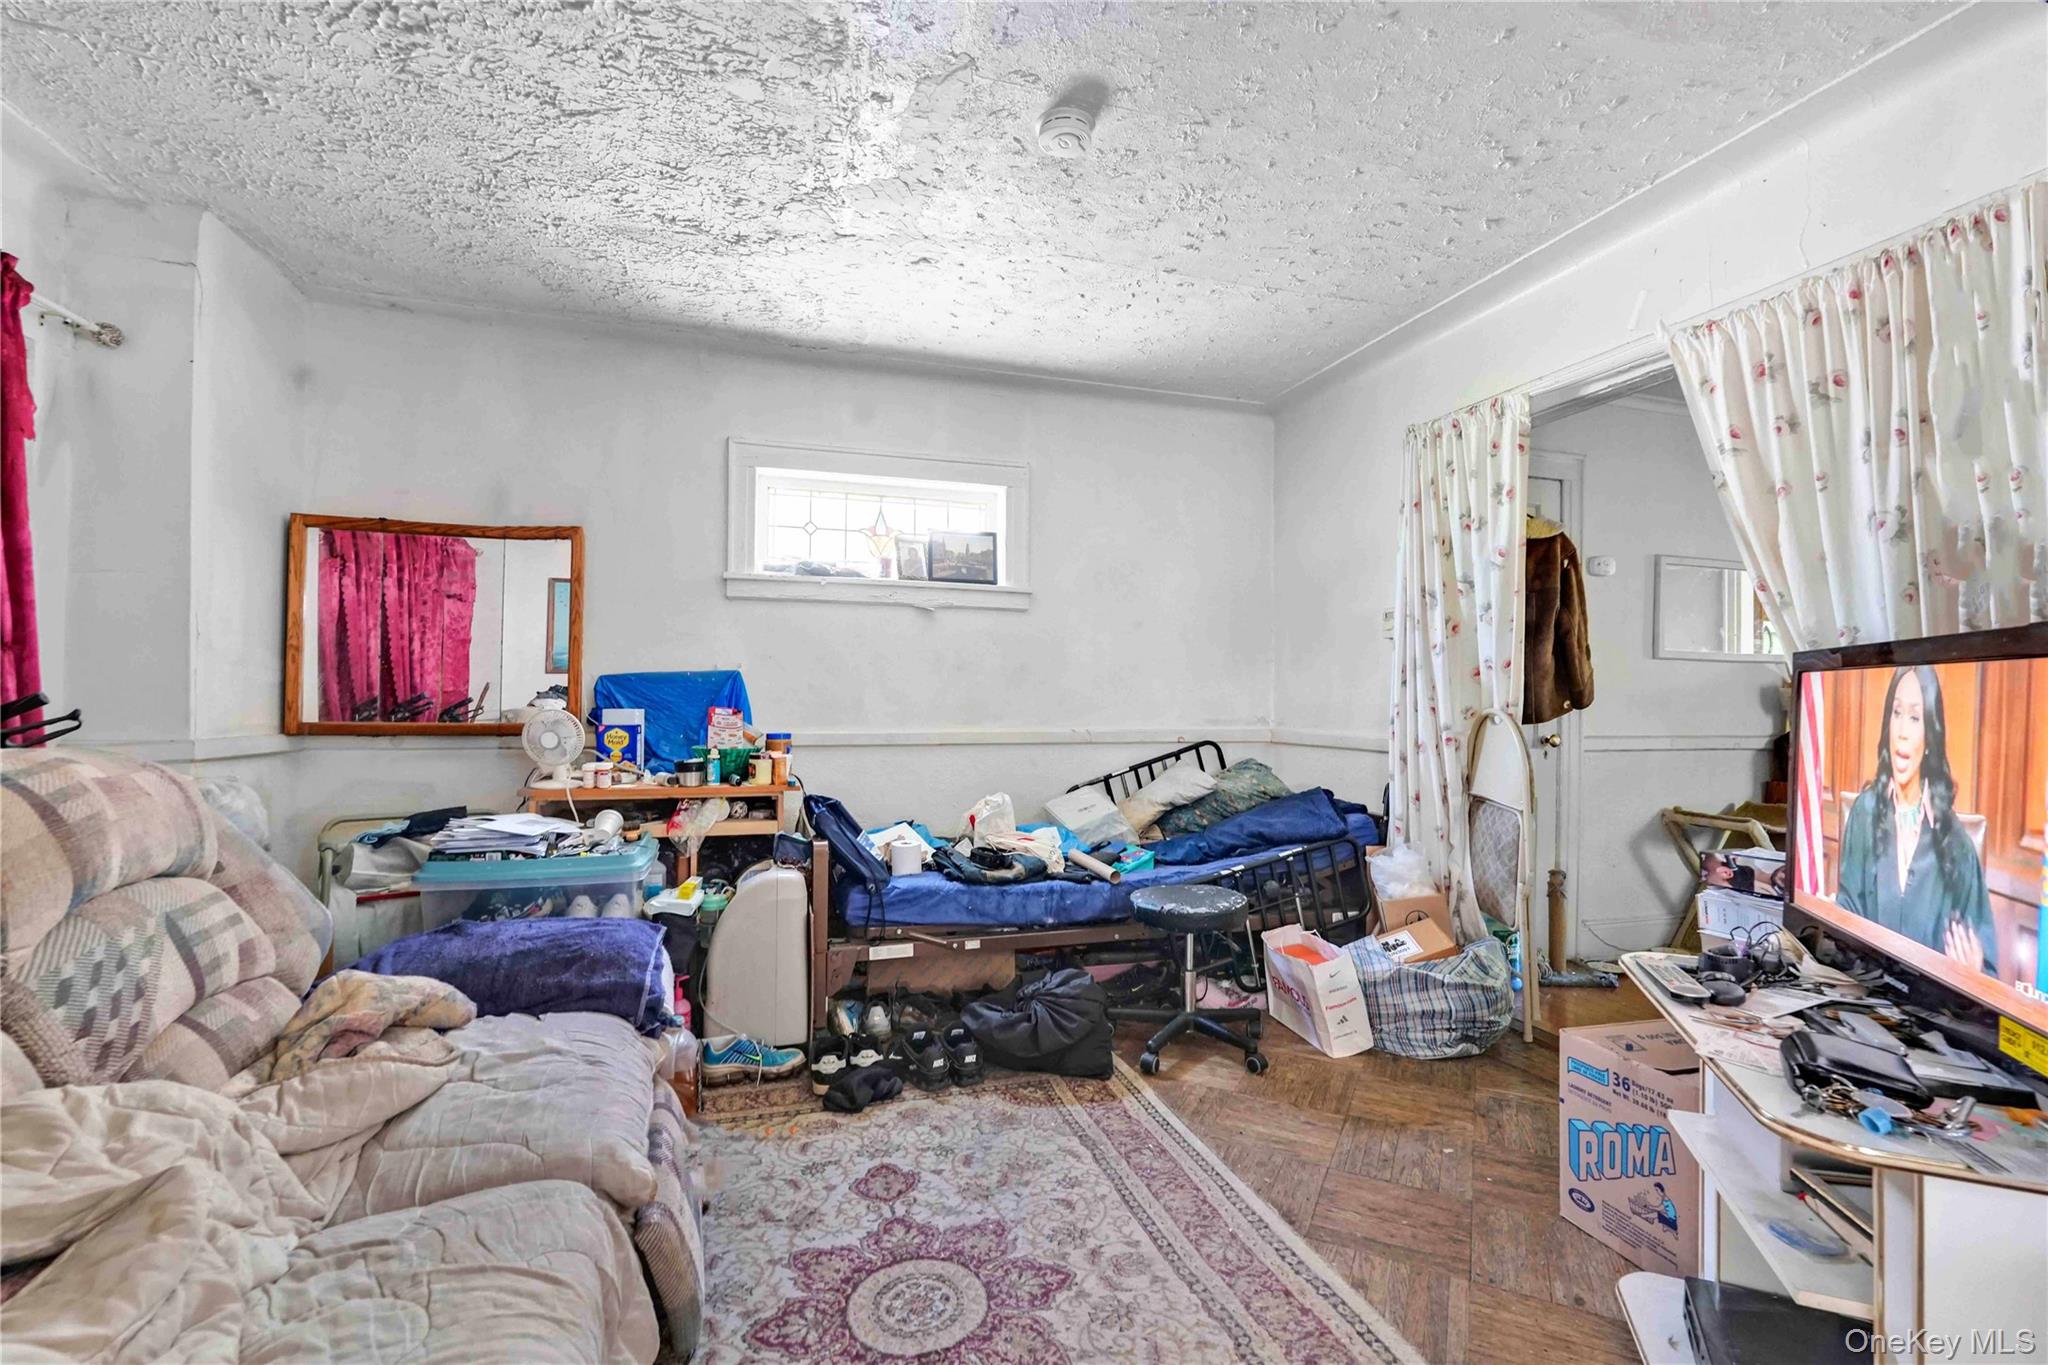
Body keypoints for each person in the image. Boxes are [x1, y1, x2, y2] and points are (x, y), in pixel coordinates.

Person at [1834, 665, 1998, 973]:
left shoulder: (1957, 845)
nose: (1902, 731)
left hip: (1932, 1010)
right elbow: (1844, 918)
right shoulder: (1865, 812)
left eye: (1915, 717)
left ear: (1930, 735)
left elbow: (1986, 971)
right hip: (1862, 994)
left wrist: (1973, 972)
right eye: (1896, 713)